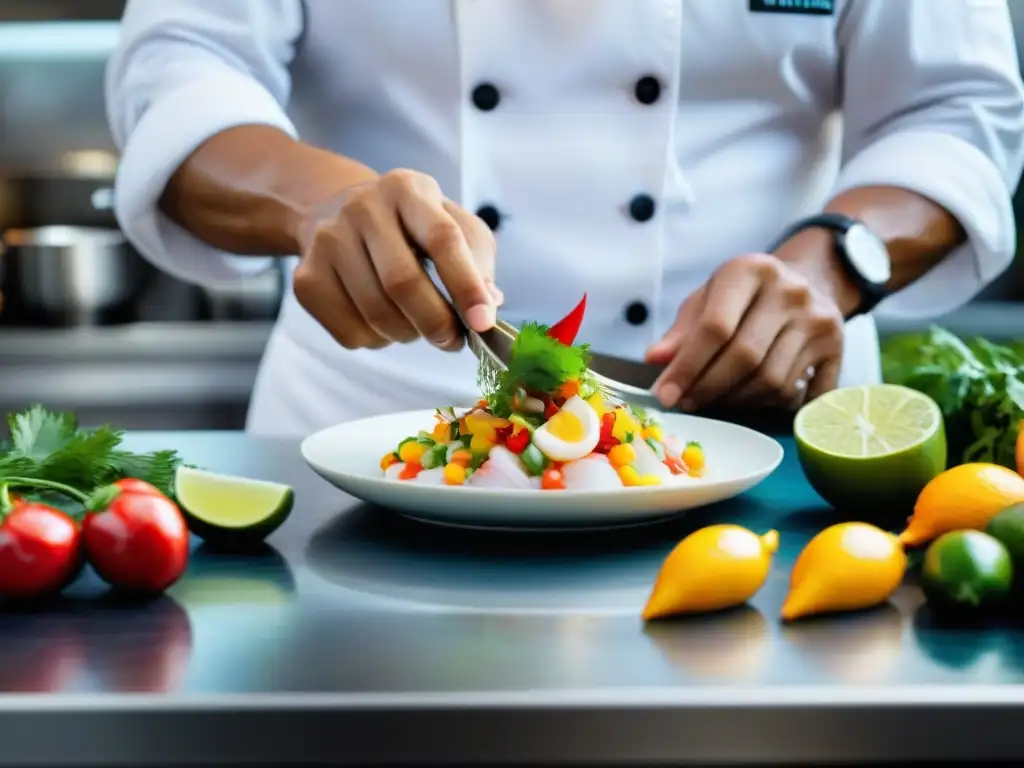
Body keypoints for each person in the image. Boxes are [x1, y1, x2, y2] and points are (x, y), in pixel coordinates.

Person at [106, 0, 1024, 437]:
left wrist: (832, 265)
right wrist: (321, 204)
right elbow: (182, 71)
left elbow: (952, 111)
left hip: (761, 426)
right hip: (373, 425)